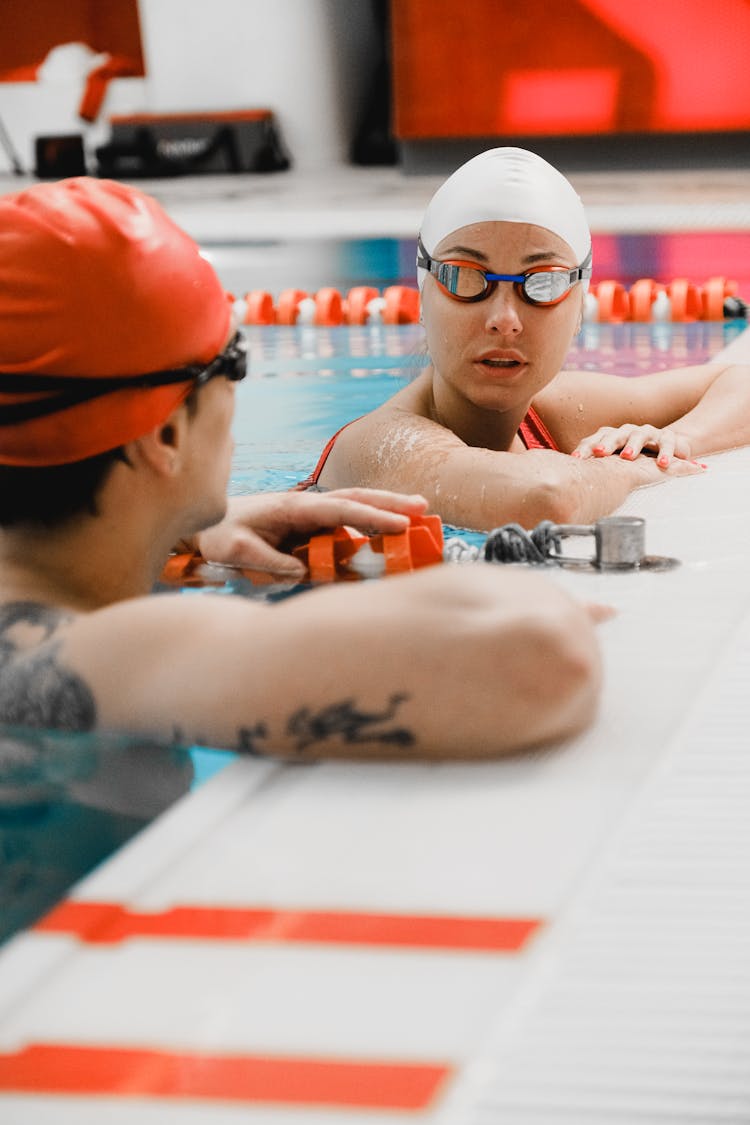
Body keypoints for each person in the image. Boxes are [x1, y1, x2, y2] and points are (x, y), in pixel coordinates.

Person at [0, 177, 603, 762]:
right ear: (165, 433)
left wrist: (164, 533)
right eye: (232, 361)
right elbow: (540, 657)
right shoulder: (100, 657)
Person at [300, 147, 750, 531]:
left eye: (543, 283)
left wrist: (676, 439)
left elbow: (739, 383)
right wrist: (636, 466)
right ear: (422, 297)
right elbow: (542, 499)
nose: (504, 319)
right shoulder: (376, 445)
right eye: (465, 277)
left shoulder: (554, 412)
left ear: (578, 308)